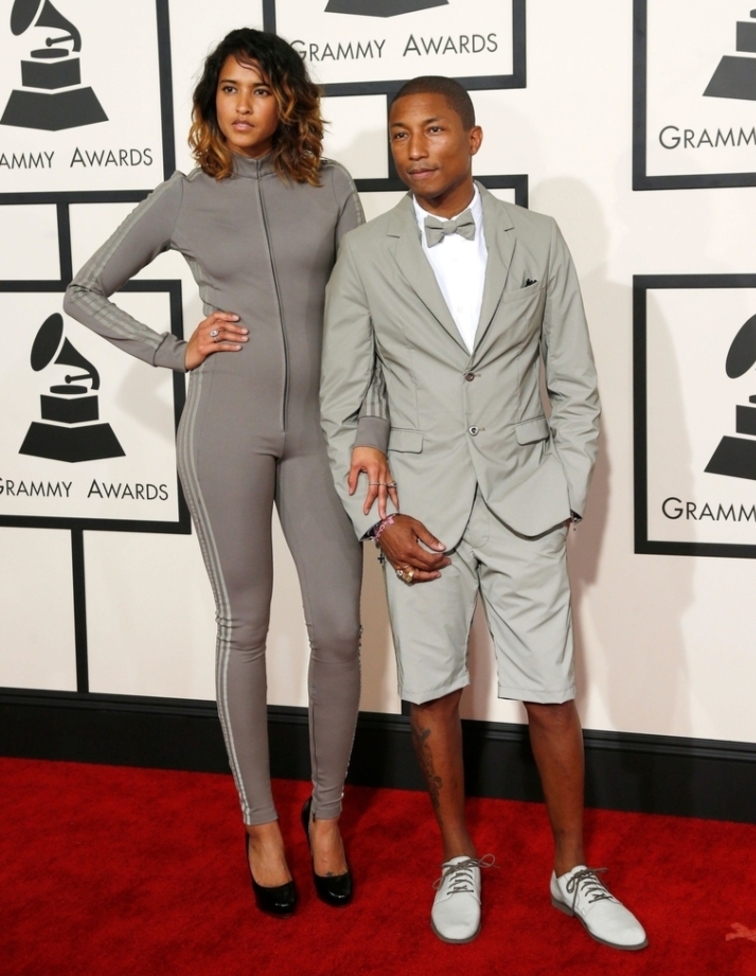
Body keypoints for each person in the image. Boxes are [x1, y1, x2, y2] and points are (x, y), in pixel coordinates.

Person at [64, 28, 394, 917]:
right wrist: (176, 349)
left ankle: (325, 814)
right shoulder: (183, 196)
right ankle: (259, 823)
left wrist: (369, 427)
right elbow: (82, 290)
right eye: (229, 89)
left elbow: (362, 319)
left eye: (261, 89)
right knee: (244, 626)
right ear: (212, 101)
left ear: (289, 100)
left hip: (322, 437)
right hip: (227, 432)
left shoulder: (331, 189)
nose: (243, 105)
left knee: (337, 628)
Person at [320, 76, 647, 950]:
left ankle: (572, 870)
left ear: (474, 137)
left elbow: (576, 387)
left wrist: (562, 496)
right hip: (414, 514)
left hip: (525, 506)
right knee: (431, 693)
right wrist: (374, 521)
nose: (415, 147)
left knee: (551, 694)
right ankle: (457, 856)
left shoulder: (537, 238)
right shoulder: (366, 253)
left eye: (433, 129)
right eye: (398, 134)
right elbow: (342, 404)